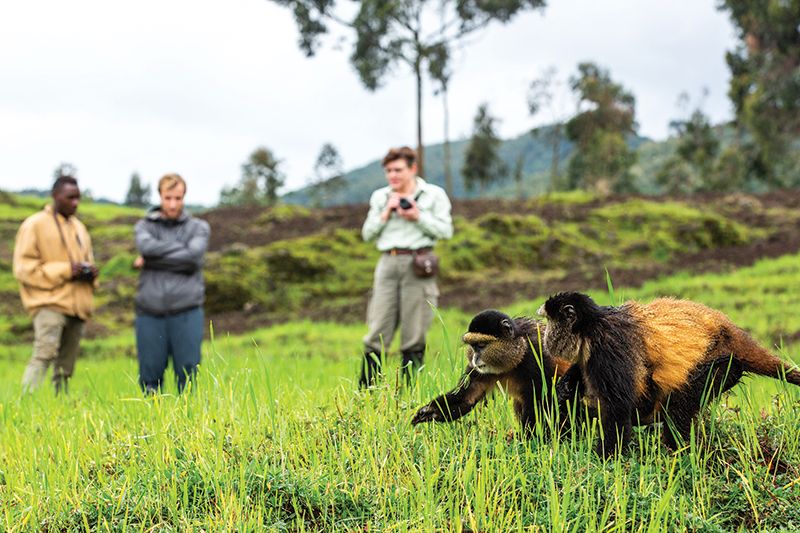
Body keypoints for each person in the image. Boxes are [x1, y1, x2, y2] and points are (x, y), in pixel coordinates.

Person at [359, 146, 453, 387]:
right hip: (387, 263)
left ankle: (410, 393)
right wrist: (386, 212)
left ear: (413, 168)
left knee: (414, 330)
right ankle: (366, 393)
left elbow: (446, 231)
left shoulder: (433, 195)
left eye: (398, 170)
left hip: (419, 263)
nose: (393, 175)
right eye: (389, 171)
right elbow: (367, 234)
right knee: (378, 327)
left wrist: (417, 216)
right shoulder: (380, 197)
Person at [13, 175, 98, 393]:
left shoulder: (80, 228)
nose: (75, 203)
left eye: (78, 198)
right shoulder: (34, 225)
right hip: (49, 303)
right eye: (70, 198)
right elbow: (23, 269)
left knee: (66, 366)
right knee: (44, 354)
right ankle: (26, 403)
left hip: (78, 305)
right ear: (55, 196)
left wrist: (89, 273)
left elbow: (88, 261)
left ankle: (61, 408)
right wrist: (66, 270)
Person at [133, 173, 209, 394]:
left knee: (188, 375)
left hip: (187, 311)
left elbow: (193, 257)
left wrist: (154, 260)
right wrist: (182, 255)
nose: (173, 204)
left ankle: (189, 426)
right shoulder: (144, 226)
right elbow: (146, 247)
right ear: (160, 196)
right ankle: (151, 423)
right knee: (149, 377)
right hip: (149, 311)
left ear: (184, 197)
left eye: (177, 198)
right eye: (168, 198)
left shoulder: (198, 227)